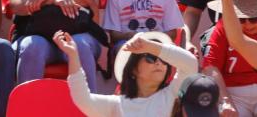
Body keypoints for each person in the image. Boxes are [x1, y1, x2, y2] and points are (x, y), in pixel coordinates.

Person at [54, 30, 197, 117]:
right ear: (133, 69)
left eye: (164, 60)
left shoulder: (172, 94)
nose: (159, 63)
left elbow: (190, 64)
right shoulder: (116, 104)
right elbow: (83, 100)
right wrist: (73, 55)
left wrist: (151, 47)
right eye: (150, 58)